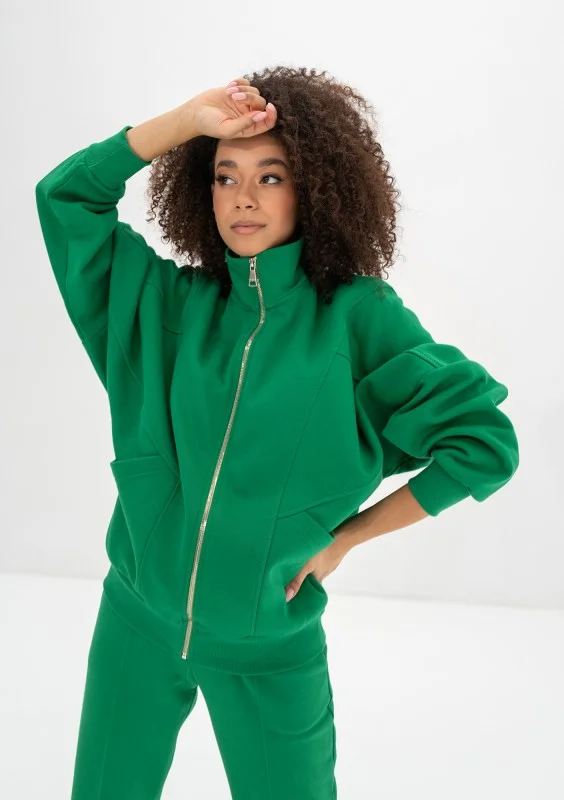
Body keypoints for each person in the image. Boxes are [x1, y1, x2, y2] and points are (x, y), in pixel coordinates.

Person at [35, 66, 519, 799]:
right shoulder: (168, 308)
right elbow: (64, 197)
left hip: (267, 648)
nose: (243, 198)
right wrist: (186, 122)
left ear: (314, 189)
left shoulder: (358, 319)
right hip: (135, 620)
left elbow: (484, 444)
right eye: (225, 176)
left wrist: (345, 538)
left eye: (270, 176)